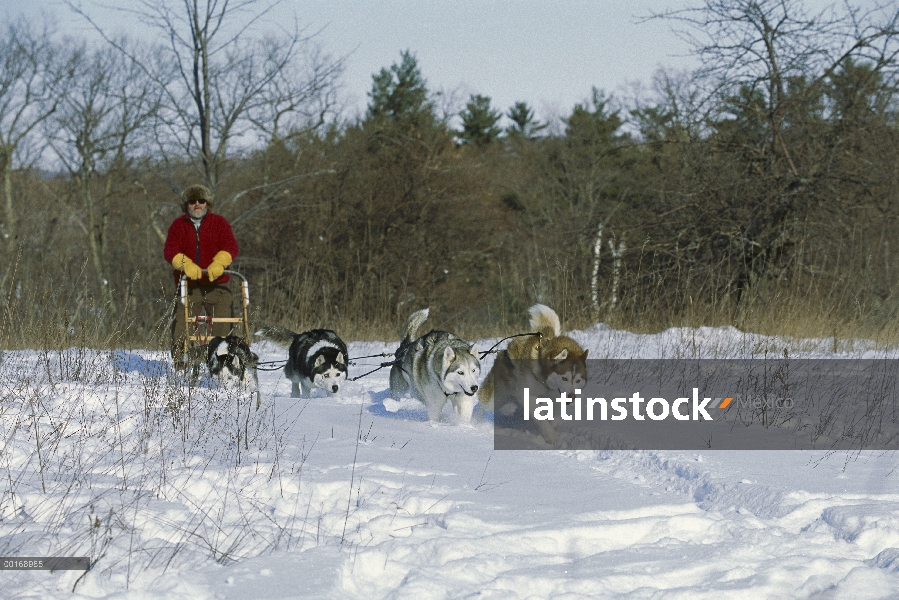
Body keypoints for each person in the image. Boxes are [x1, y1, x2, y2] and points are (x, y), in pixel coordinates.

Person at [163, 184, 239, 366]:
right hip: (189, 286)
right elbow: (170, 251)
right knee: (181, 326)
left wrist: (220, 262)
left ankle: (223, 363)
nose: (197, 204)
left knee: (223, 326)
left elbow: (231, 246)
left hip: (218, 285)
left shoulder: (219, 223)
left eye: (201, 200)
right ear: (186, 205)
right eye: (192, 201)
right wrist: (186, 264)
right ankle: (181, 364)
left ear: (207, 203)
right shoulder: (178, 225)